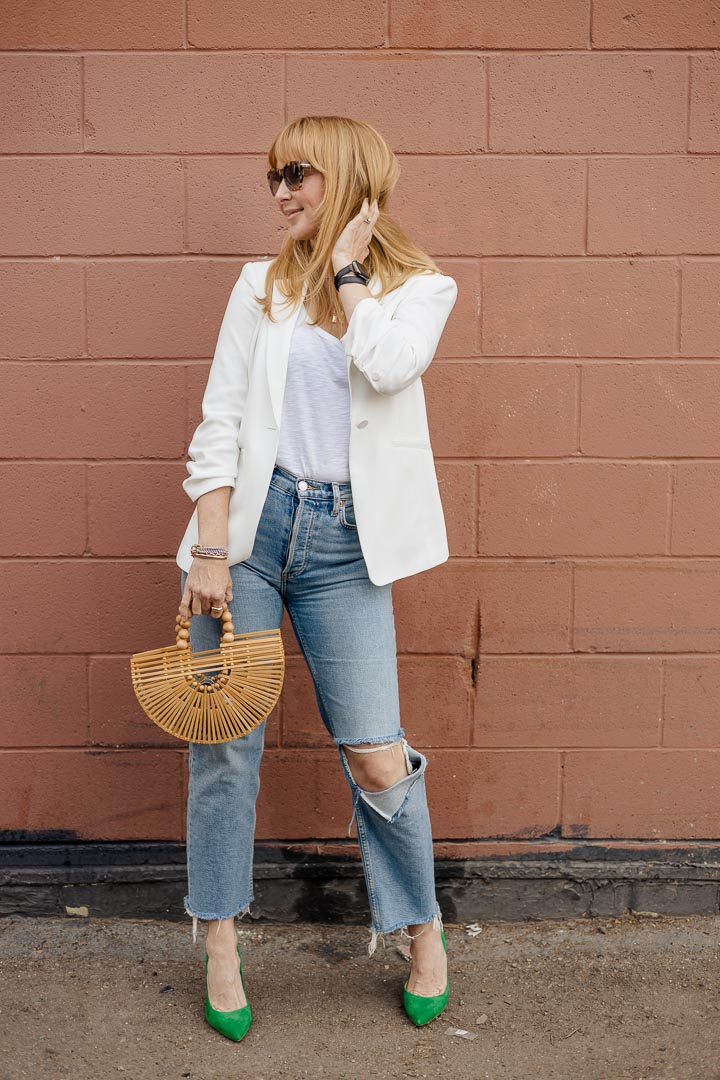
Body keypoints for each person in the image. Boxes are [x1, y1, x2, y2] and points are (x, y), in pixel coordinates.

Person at [176, 115, 458, 1041]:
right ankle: (219, 940)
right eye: (273, 179)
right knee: (227, 744)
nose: (282, 193)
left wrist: (349, 270)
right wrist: (211, 548)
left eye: (297, 174)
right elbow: (220, 419)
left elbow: (386, 363)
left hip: (346, 545)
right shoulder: (256, 289)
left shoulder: (418, 289)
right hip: (253, 533)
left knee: (377, 752)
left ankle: (422, 926)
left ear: (348, 180)